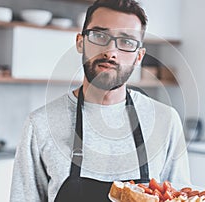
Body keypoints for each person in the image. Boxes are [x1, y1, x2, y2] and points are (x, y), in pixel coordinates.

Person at [10, 0, 191, 201]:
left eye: (126, 42)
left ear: (139, 57)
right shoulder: (40, 124)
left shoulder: (165, 120)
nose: (111, 52)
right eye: (99, 36)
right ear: (80, 42)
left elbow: (181, 196)